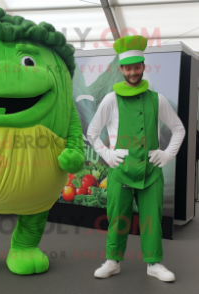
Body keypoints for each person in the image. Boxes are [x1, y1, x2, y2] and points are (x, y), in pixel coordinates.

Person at [87, 35, 186, 282]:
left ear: (143, 66)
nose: (133, 72)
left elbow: (179, 129)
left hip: (150, 171)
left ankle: (154, 264)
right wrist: (107, 154)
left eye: (137, 67)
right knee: (118, 218)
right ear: (121, 69)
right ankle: (113, 261)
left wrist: (167, 153)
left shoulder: (156, 99)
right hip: (120, 171)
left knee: (152, 218)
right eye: (128, 68)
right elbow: (91, 132)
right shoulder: (111, 99)